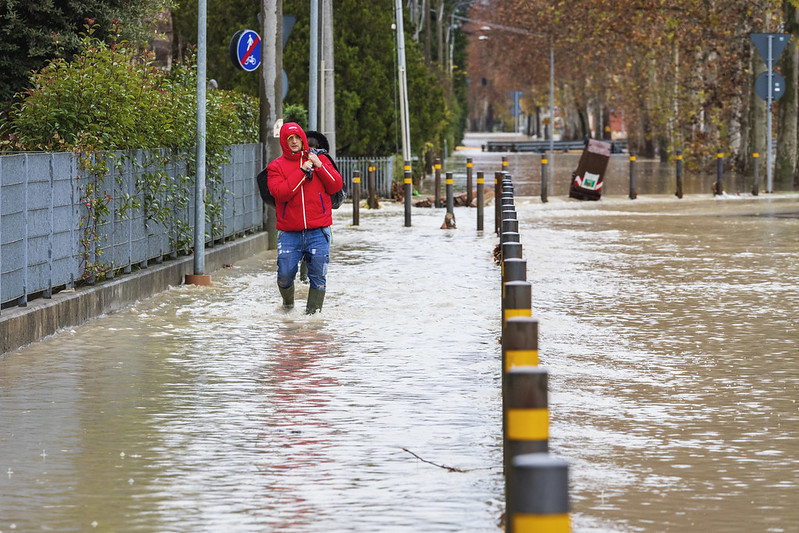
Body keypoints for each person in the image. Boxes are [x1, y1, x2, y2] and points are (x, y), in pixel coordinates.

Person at [267, 122, 343, 314]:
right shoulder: (275, 167)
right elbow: (281, 193)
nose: (293, 142)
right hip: (289, 233)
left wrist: (318, 165)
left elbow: (335, 185)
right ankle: (288, 307)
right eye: (289, 139)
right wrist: (302, 171)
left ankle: (312, 320)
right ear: (284, 142)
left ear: (302, 139)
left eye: (297, 138)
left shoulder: (320, 160)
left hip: (319, 230)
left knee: (318, 276)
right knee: (284, 275)